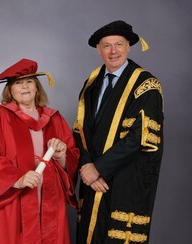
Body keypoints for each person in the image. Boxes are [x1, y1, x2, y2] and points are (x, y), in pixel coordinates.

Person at [73, 20, 164, 243]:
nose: (113, 51)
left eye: (119, 44)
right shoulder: (91, 83)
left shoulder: (146, 85)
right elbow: (80, 130)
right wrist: (86, 166)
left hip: (126, 180)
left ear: (128, 47)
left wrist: (99, 169)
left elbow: (140, 137)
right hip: (91, 181)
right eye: (107, 45)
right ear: (99, 50)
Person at [0, 58, 79, 244]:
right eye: (18, 83)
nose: (24, 87)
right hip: (12, 199)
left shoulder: (54, 118)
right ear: (10, 90)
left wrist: (62, 154)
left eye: (29, 81)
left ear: (37, 87)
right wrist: (18, 178)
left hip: (48, 197)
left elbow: (72, 158)